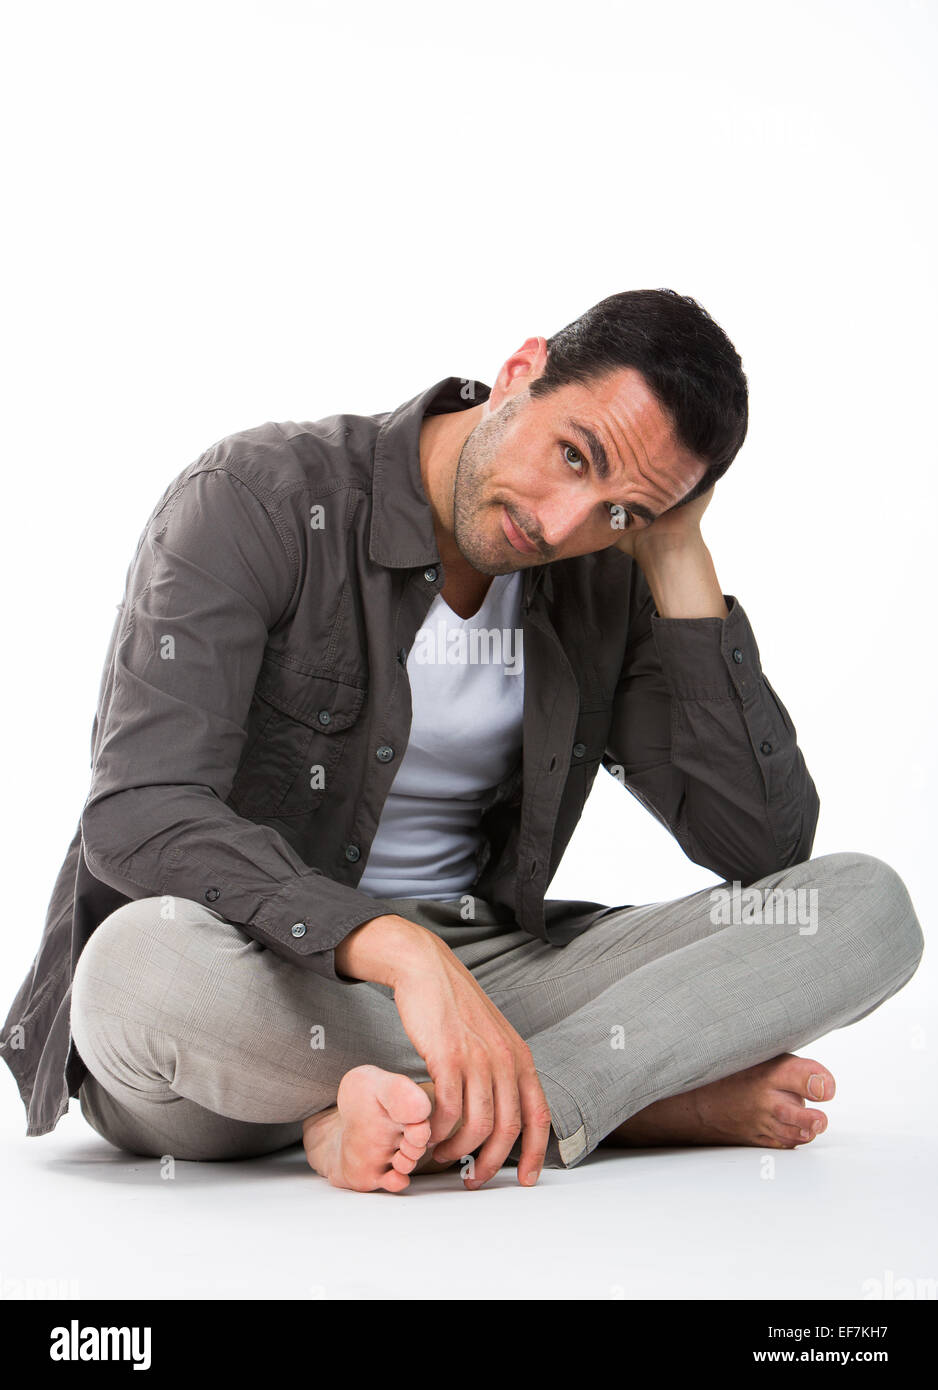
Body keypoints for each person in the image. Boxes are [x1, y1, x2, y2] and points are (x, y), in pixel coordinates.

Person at [1, 290, 923, 1194]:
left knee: (863, 907)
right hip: (258, 977)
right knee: (133, 975)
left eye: (622, 511)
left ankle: (466, 1106)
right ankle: (618, 1098)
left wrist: (677, 553)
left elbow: (761, 851)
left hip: (486, 971)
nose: (564, 524)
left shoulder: (603, 563)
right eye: (574, 454)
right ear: (520, 371)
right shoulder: (259, 497)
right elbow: (139, 812)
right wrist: (394, 947)